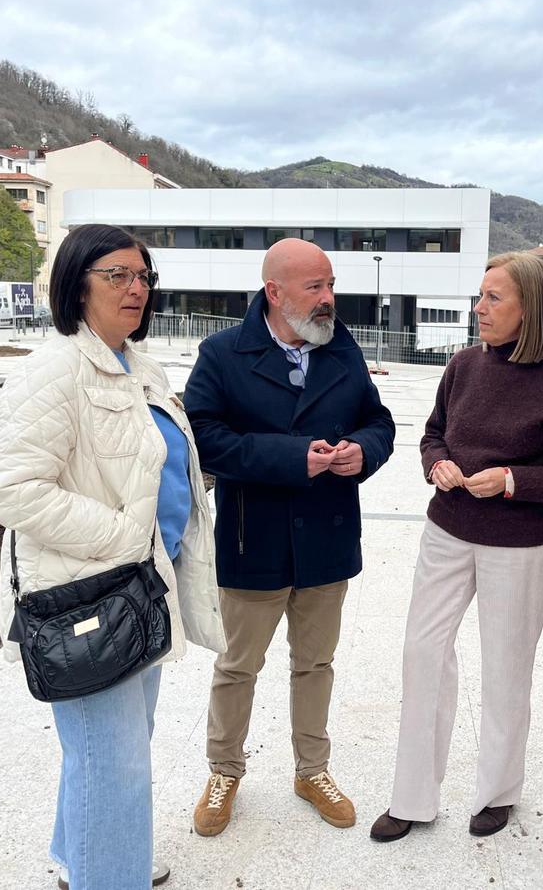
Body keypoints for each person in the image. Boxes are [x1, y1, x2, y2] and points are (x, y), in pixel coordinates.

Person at [0, 223, 225, 890]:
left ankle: (77, 856)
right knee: (113, 766)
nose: (136, 287)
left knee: (108, 754)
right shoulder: (54, 370)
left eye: (143, 276)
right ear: (75, 283)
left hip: (140, 593)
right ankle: (106, 871)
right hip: (88, 599)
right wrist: (122, 538)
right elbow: (12, 491)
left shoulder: (136, 366)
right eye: (117, 274)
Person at [369, 252, 543, 843]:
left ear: (530, 310)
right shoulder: (463, 366)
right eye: (480, 296)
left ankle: (498, 793)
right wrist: (438, 464)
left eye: (494, 298)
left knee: (505, 668)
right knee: (423, 654)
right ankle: (412, 797)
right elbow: (431, 433)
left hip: (517, 547)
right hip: (446, 531)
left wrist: (513, 480)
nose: (480, 308)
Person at [183, 238, 395, 837]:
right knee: (238, 666)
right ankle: (224, 771)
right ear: (274, 293)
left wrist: (365, 451)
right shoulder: (223, 354)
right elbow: (203, 437)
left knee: (315, 664)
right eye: (314, 288)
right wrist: (291, 457)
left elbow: (378, 421)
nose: (329, 299)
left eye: (331, 285)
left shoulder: (342, 348)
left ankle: (312, 770)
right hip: (256, 539)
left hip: (327, 540)